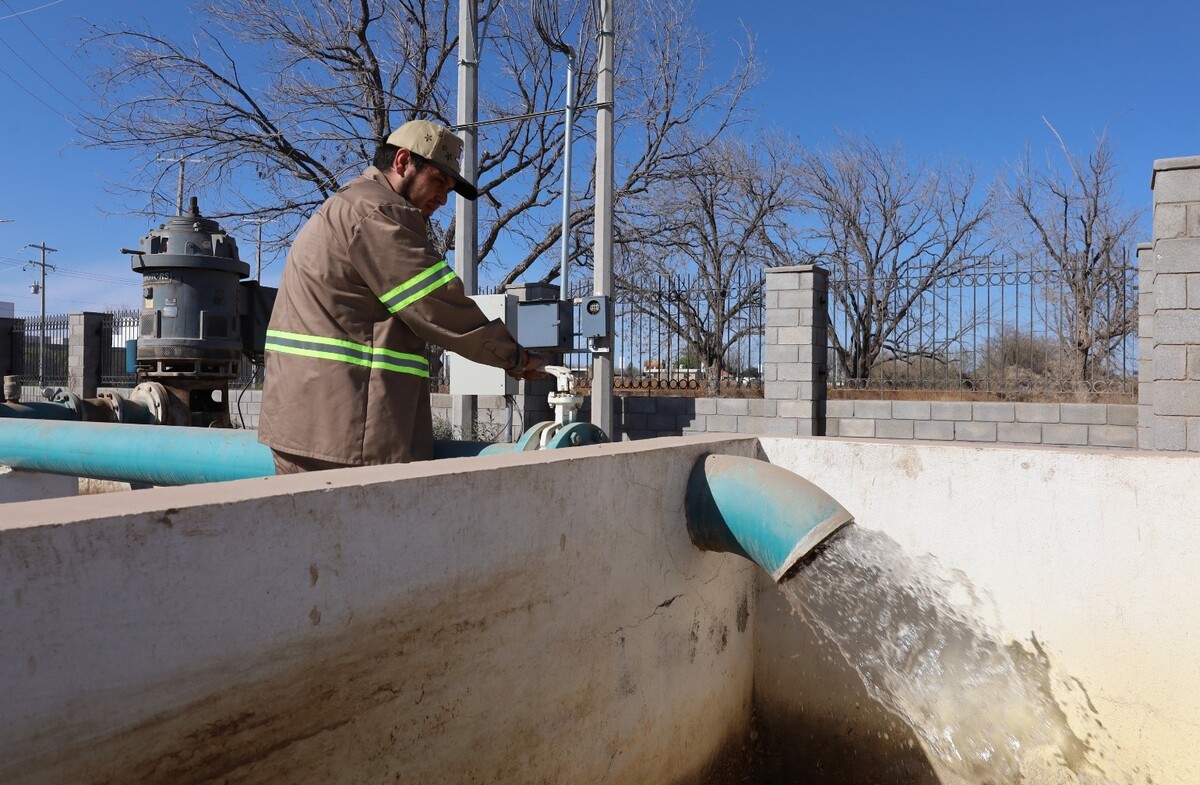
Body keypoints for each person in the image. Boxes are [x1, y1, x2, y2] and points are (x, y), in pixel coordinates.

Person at [258, 119, 546, 474]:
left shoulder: (347, 203)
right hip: (347, 434)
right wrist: (514, 357)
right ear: (402, 161)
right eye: (438, 181)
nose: (443, 198)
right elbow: (436, 304)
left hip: (307, 424)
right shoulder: (379, 211)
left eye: (449, 189)